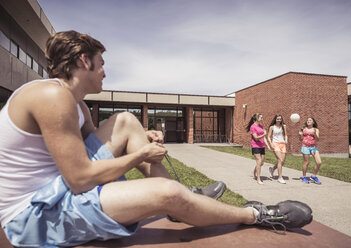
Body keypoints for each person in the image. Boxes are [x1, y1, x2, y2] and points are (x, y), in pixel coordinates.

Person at [0, 30, 312, 247]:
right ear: (84, 60)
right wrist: (140, 155)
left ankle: (179, 204)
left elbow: (94, 149)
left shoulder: (75, 103)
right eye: (102, 63)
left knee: (125, 120)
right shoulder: (51, 96)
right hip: (35, 215)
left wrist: (140, 137)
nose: (104, 72)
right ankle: (256, 214)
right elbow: (81, 178)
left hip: (56, 190)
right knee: (166, 192)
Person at [246, 113, 271, 185]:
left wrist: (268, 145)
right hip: (255, 146)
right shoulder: (252, 127)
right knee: (259, 162)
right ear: (257, 118)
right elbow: (256, 138)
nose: (262, 118)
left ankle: (254, 172)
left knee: (261, 163)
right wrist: (264, 134)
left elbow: (264, 138)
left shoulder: (261, 126)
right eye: (261, 117)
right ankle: (258, 179)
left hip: (262, 146)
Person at [298, 117, 322, 184]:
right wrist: (300, 135)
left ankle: (313, 176)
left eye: (310, 120)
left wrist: (315, 134)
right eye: (308, 120)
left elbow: (317, 139)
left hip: (313, 147)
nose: (308, 121)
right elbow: (300, 139)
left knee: (319, 162)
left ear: (313, 122)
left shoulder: (316, 129)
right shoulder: (304, 129)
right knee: (307, 162)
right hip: (305, 147)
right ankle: (304, 177)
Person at [267, 115, 288, 184]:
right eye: (277, 119)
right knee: (280, 160)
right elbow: (268, 137)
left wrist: (286, 140)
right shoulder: (272, 127)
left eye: (280, 119)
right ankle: (280, 177)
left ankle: (272, 169)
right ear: (275, 119)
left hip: (282, 144)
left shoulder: (283, 126)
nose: (279, 120)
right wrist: (271, 144)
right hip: (275, 144)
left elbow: (285, 135)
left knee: (282, 162)